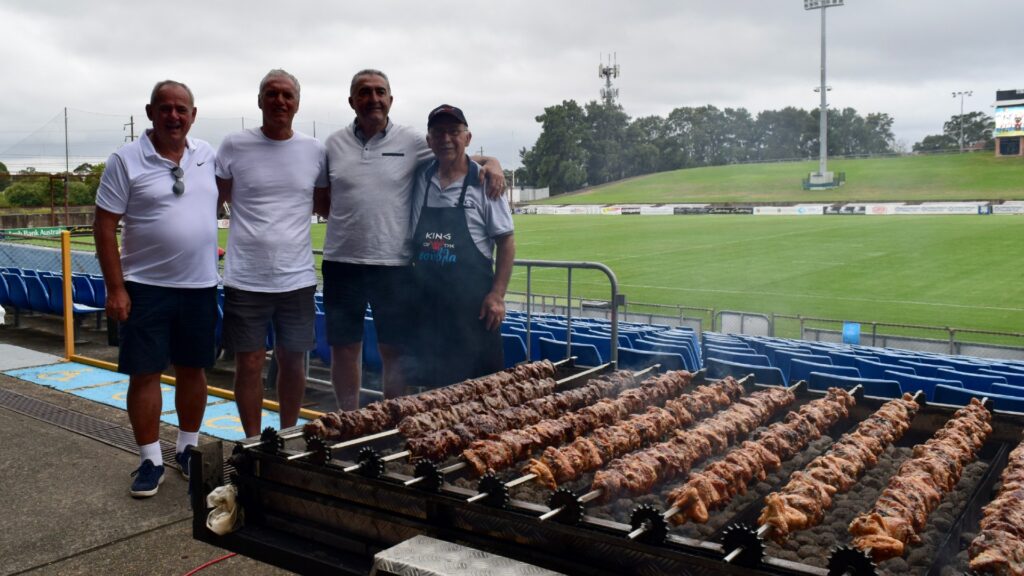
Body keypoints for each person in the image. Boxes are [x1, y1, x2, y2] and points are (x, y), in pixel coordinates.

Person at [320, 70, 505, 410]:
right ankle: (349, 421)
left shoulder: (412, 141)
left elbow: (453, 151)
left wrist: (491, 161)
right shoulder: (332, 144)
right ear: (351, 101)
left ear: (391, 100)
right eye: (364, 92)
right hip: (341, 263)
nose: (373, 98)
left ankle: (391, 421)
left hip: (394, 265)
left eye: (380, 92)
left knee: (394, 350)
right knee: (345, 349)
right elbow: (321, 199)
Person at [94, 80, 219, 498]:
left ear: (193, 115)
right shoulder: (125, 160)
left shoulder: (206, 155)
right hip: (145, 287)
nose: (174, 116)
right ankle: (150, 458)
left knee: (193, 369)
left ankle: (187, 449)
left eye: (181, 109)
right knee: (145, 373)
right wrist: (116, 289)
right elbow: (104, 225)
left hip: (200, 285)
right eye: (165, 108)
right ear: (150, 112)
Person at [215, 69, 327, 438]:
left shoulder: (314, 150)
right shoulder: (234, 145)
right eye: (272, 93)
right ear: (259, 100)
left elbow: (324, 204)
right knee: (248, 363)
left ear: (297, 103)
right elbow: (220, 196)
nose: (280, 100)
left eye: (287, 95)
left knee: (292, 361)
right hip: (246, 277)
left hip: (296, 278)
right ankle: (250, 440)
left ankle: (289, 437)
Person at [408, 105, 515, 389]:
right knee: (432, 398)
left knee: (483, 397)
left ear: (467, 138)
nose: (446, 139)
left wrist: (497, 295)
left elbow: (506, 241)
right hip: (429, 312)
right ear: (429, 141)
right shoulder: (420, 178)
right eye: (438, 133)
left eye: (453, 132)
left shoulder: (485, 184)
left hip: (475, 313)